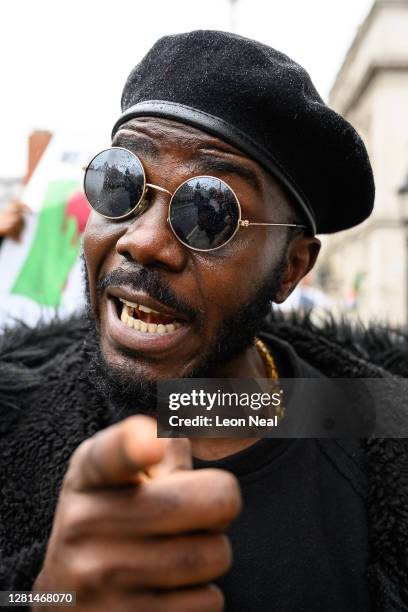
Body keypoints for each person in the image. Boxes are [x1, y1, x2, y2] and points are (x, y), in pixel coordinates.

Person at [1, 30, 407, 612]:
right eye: (121, 184)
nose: (143, 241)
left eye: (209, 210)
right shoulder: (14, 414)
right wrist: (48, 598)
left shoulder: (374, 428)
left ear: (291, 268)